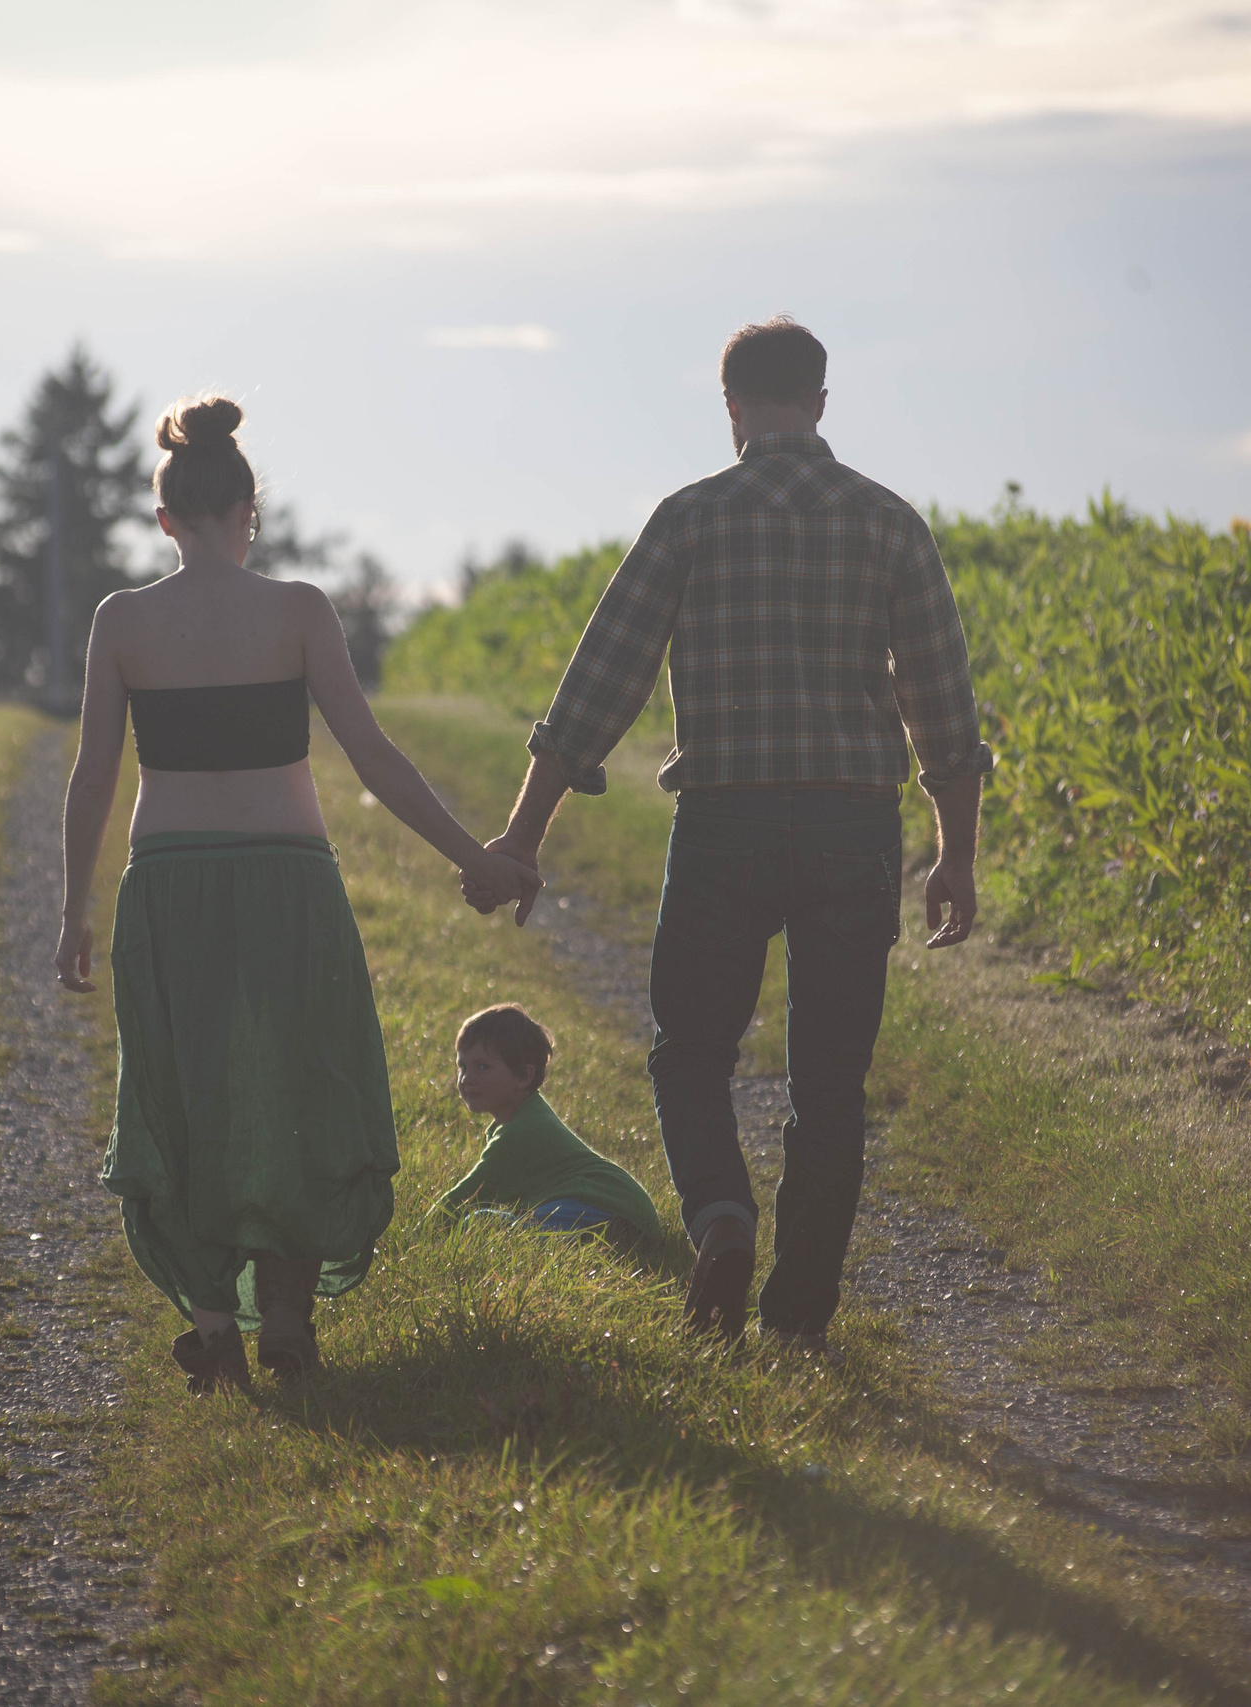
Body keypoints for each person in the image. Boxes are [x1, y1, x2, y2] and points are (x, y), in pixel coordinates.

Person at [463, 316, 993, 1352]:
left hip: (723, 825)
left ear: (732, 407)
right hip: (852, 826)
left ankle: (720, 1218)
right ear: (825, 403)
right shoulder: (889, 524)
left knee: (691, 1052)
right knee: (828, 1082)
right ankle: (797, 1316)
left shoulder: (690, 520)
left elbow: (594, 693)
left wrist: (524, 837)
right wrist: (954, 853)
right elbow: (945, 709)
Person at [56, 394, 540, 1397]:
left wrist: (72, 911)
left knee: (187, 1092)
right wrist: (473, 856)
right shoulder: (297, 611)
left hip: (170, 884)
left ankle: (208, 1324)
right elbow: (374, 758)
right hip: (287, 878)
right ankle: (283, 1302)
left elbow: (93, 777)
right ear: (250, 514)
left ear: (164, 520)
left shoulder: (123, 622)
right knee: (295, 1079)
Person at [440, 1003, 661, 1246]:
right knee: (482, 1221)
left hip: (613, 1210)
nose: (466, 1079)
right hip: (611, 1209)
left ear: (524, 1076)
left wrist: (418, 1234)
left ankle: (607, 1239)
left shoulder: (519, 1134)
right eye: (462, 1066)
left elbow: (463, 1198)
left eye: (483, 1067)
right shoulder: (522, 1117)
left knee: (516, 1235)